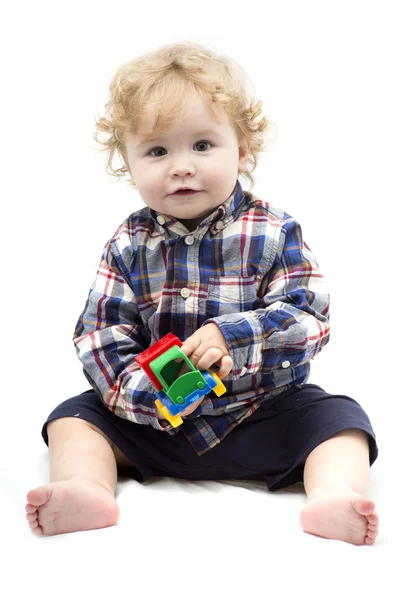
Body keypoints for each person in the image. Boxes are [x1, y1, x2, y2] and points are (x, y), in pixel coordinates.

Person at [25, 42, 379, 544]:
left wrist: (232, 337)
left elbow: (309, 315)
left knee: (342, 421)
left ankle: (332, 496)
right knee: (71, 418)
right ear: (128, 164)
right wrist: (151, 399)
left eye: (203, 145)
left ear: (243, 149)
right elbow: (100, 335)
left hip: (262, 412)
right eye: (157, 151)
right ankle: (85, 486)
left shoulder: (272, 231)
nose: (181, 166)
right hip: (158, 425)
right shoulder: (128, 244)